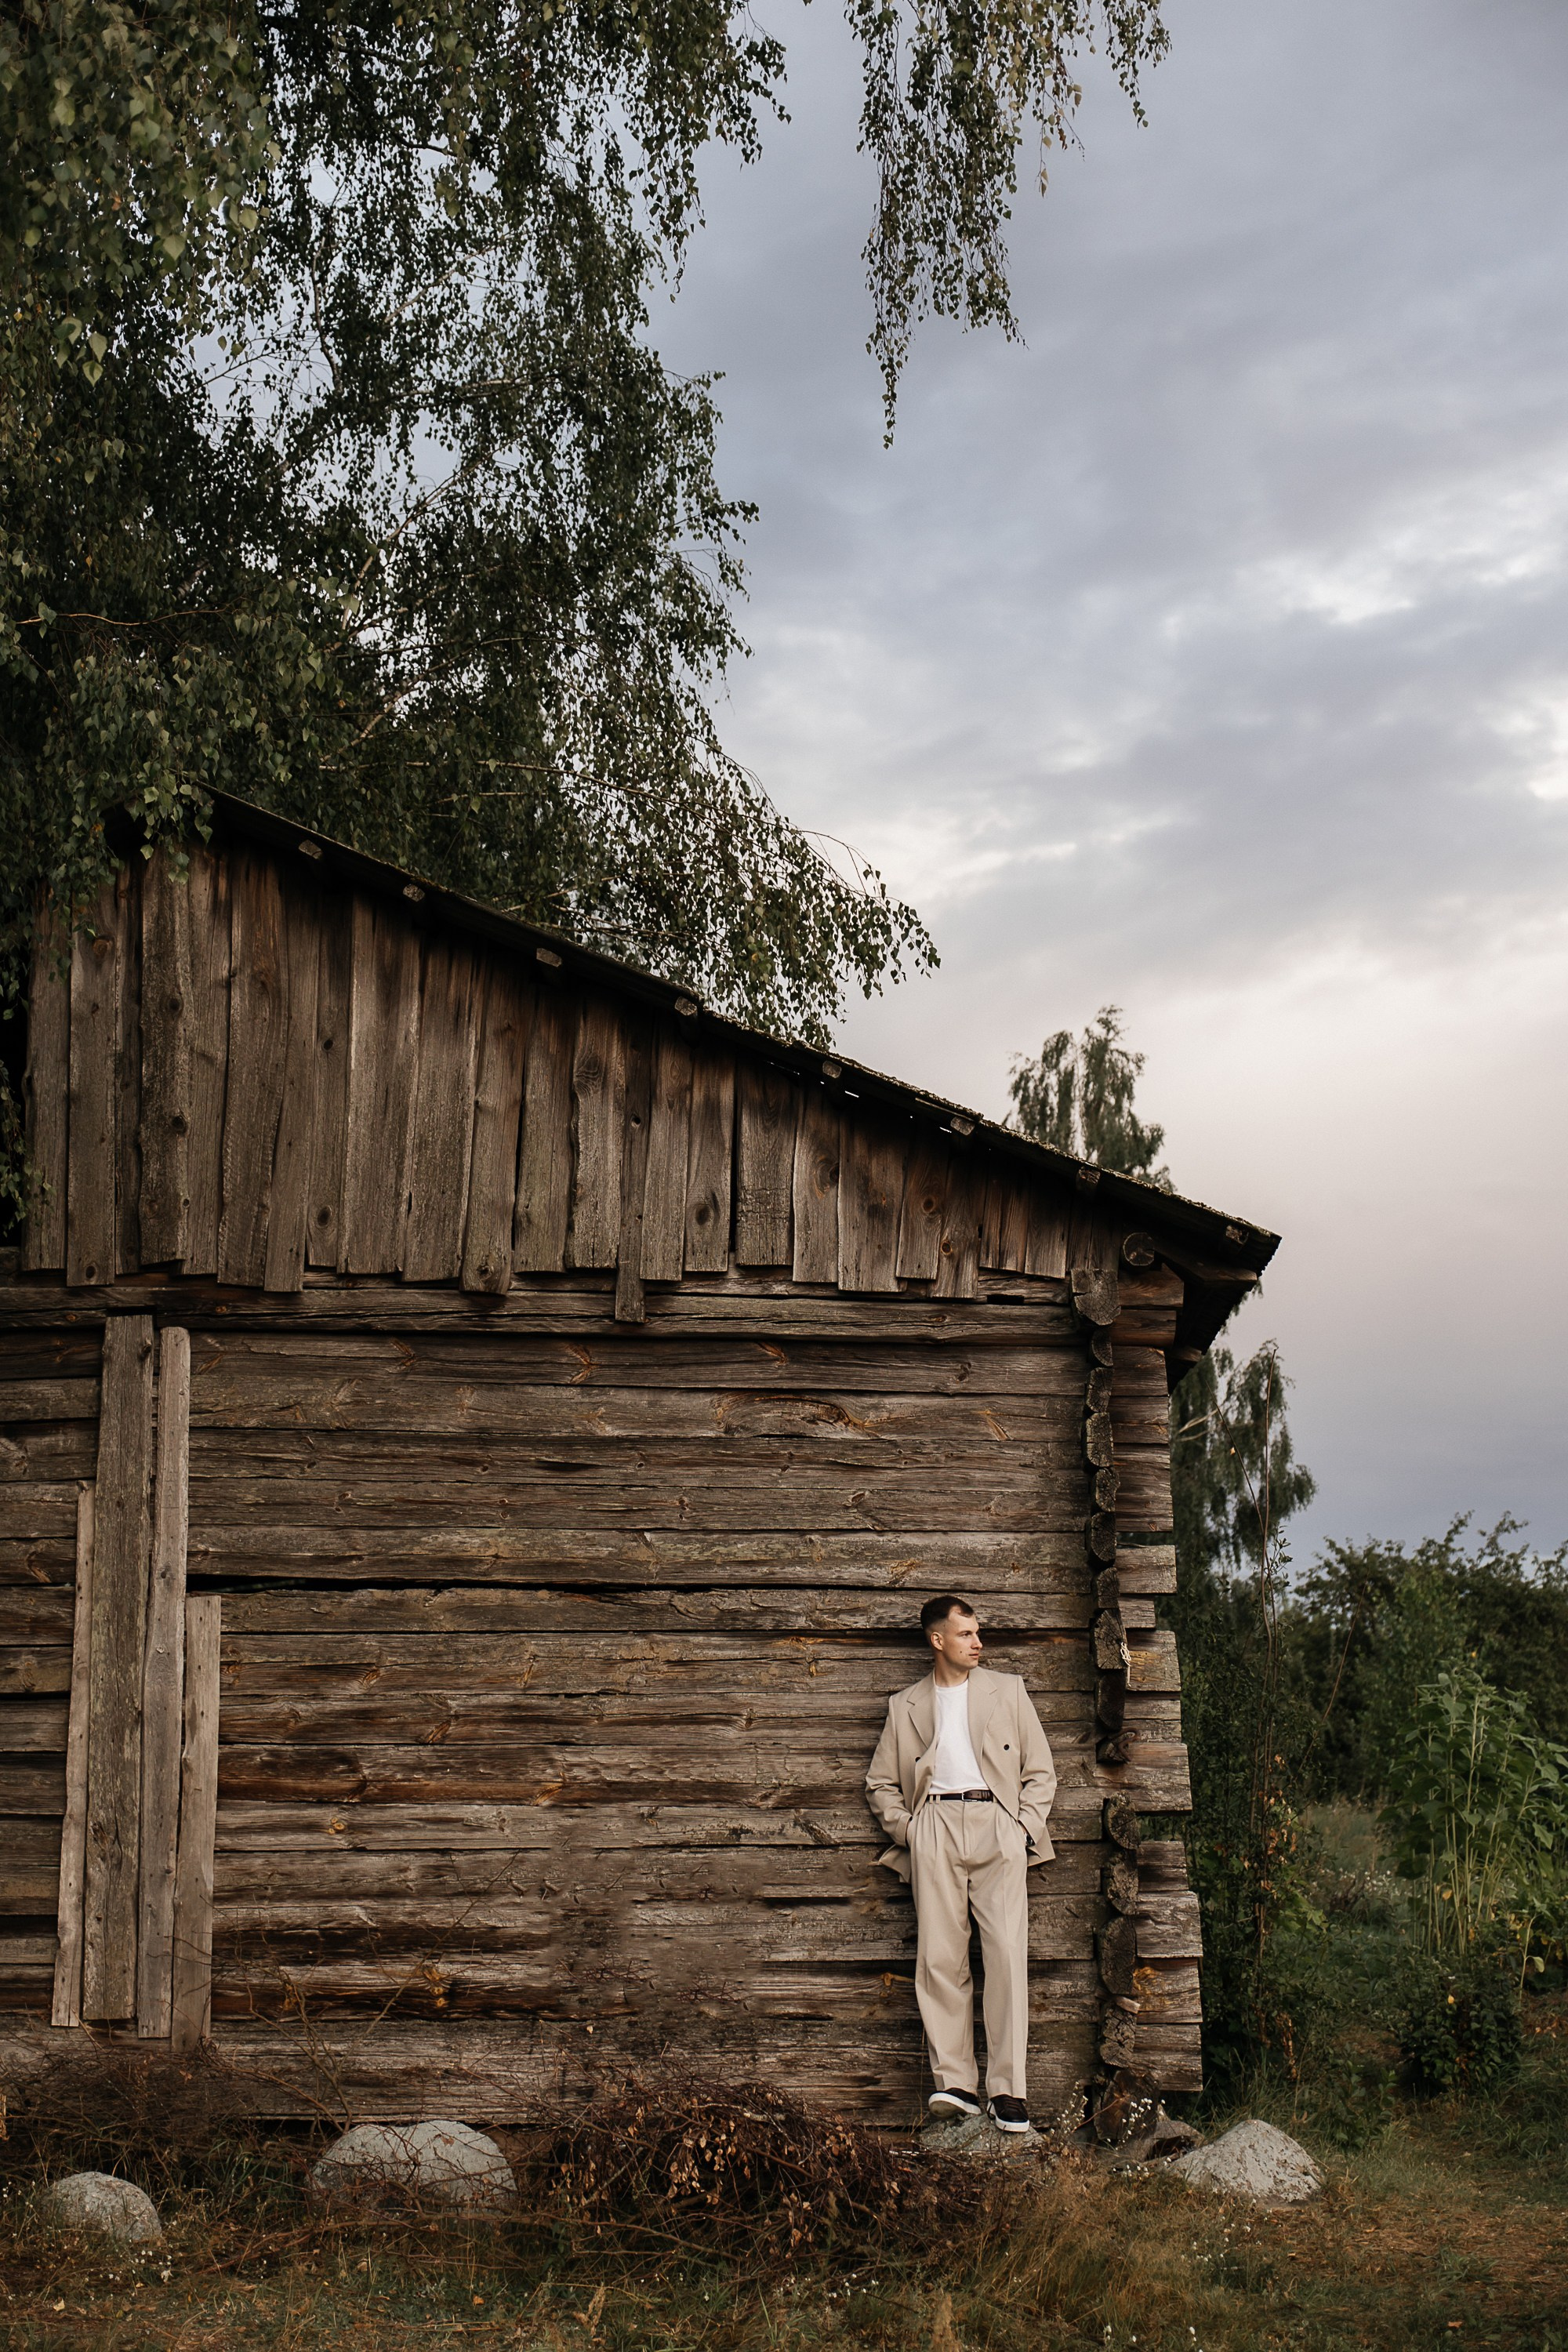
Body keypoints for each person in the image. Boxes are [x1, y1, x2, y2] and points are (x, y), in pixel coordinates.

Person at [864, 1595, 1057, 2132]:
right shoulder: (905, 1706)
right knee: (940, 1958)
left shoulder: (1008, 1691)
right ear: (937, 1640)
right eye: (967, 1634)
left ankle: (1008, 2092)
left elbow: (1041, 1772)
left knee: (1005, 1956)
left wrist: (1020, 1829)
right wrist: (912, 1831)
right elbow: (880, 1782)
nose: (978, 1643)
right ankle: (956, 2084)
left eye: (978, 1633)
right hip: (935, 1828)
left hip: (998, 1825)